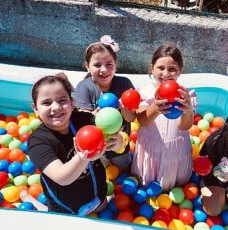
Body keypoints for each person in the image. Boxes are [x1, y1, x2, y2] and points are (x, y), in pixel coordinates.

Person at [28, 75, 123, 215]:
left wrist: (117, 142)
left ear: (72, 102)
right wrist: (82, 158)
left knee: (103, 210)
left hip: (97, 195)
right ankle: (30, 200)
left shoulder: (85, 120)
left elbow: (118, 144)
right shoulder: (38, 142)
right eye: (47, 103)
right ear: (35, 108)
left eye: (62, 100)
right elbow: (62, 177)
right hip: (64, 206)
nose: (56, 107)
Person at [131, 44, 197, 191]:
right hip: (150, 149)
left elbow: (184, 126)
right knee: (145, 186)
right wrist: (155, 107)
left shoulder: (186, 96)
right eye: (161, 68)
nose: (166, 74)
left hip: (176, 151)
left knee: (175, 187)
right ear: (152, 68)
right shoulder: (145, 93)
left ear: (179, 72)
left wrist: (187, 110)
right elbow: (142, 120)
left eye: (172, 69)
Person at [75, 35, 136, 171]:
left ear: (116, 65)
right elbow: (82, 121)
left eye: (109, 64)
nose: (103, 70)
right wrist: (95, 114)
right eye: (97, 65)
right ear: (87, 66)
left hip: (120, 142)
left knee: (124, 172)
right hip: (95, 146)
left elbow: (131, 118)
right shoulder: (84, 87)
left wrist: (125, 108)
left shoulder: (124, 84)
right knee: (99, 175)